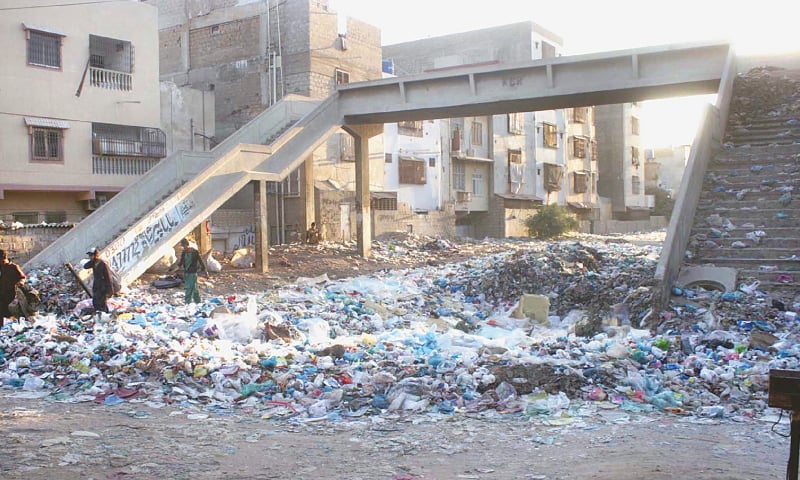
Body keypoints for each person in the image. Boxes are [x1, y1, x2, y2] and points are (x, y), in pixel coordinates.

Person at [170, 238, 208, 304]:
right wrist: (174, 270)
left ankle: (188, 302)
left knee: (189, 288)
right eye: (182, 246)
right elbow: (180, 263)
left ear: (186, 245)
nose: (183, 247)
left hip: (193, 273)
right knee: (194, 288)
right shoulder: (184, 253)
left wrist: (205, 271)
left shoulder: (194, 252)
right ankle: (197, 302)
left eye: (184, 246)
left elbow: (201, 261)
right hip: (187, 273)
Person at [84, 247, 114, 315]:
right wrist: (92, 261)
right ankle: (101, 316)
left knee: (101, 304)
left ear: (95, 255)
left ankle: (105, 316)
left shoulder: (102, 264)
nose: (90, 257)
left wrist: (110, 290)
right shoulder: (94, 263)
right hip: (97, 287)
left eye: (91, 255)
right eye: (89, 256)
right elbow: (85, 266)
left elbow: (108, 277)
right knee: (96, 303)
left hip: (103, 287)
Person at [0, 249, 26, 327]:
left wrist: (21, 282)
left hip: (11, 296)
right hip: (1, 297)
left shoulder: (13, 267)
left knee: (12, 315)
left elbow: (23, 277)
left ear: (4, 258)